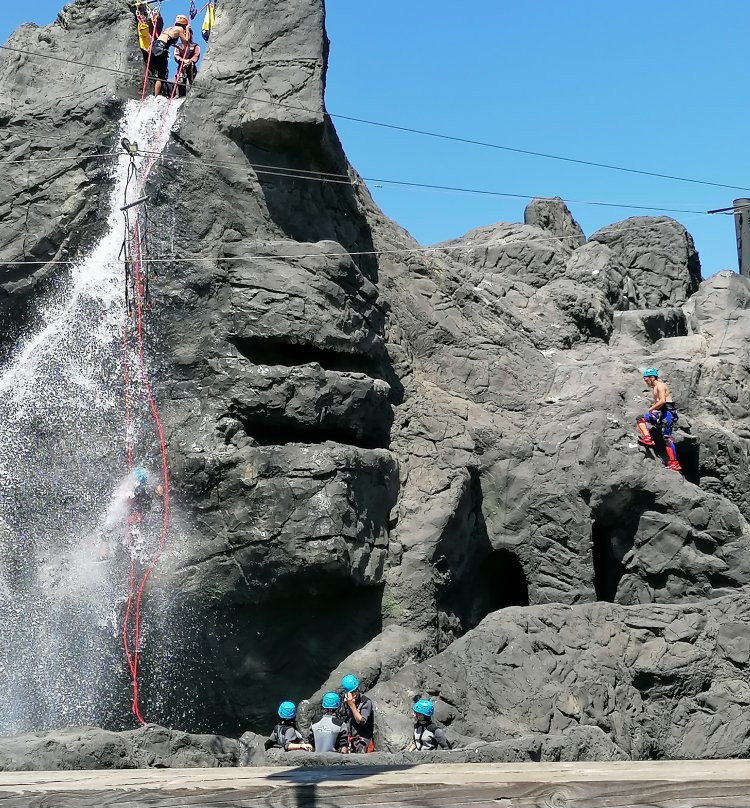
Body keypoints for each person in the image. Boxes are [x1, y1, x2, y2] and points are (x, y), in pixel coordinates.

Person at [636, 368, 682, 472]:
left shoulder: (660, 385)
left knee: (667, 438)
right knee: (640, 418)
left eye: (646, 378)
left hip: (668, 414)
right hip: (661, 413)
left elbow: (662, 401)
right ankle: (647, 438)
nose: (645, 381)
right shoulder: (655, 387)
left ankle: (674, 463)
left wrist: (651, 408)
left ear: (652, 377)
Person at [149, 14, 191, 97]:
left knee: (153, 70)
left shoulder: (169, 28)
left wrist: (176, 46)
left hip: (154, 47)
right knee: (161, 75)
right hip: (161, 51)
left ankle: (153, 92)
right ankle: (156, 97)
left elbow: (165, 40)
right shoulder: (180, 29)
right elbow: (186, 41)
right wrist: (187, 29)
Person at [341, 674, 375, 753]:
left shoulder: (366, 702)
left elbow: (361, 721)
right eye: (352, 693)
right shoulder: (346, 701)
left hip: (363, 740)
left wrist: (352, 706)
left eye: (355, 691)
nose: (355, 694)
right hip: (350, 738)